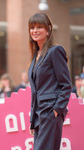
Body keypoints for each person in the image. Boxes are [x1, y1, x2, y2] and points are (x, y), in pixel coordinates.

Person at [27, 13, 71, 150]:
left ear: (48, 30)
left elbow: (66, 85)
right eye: (32, 27)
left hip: (50, 112)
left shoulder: (55, 51)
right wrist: (33, 119)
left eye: (39, 27)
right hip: (39, 114)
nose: (35, 30)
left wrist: (56, 111)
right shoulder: (35, 55)